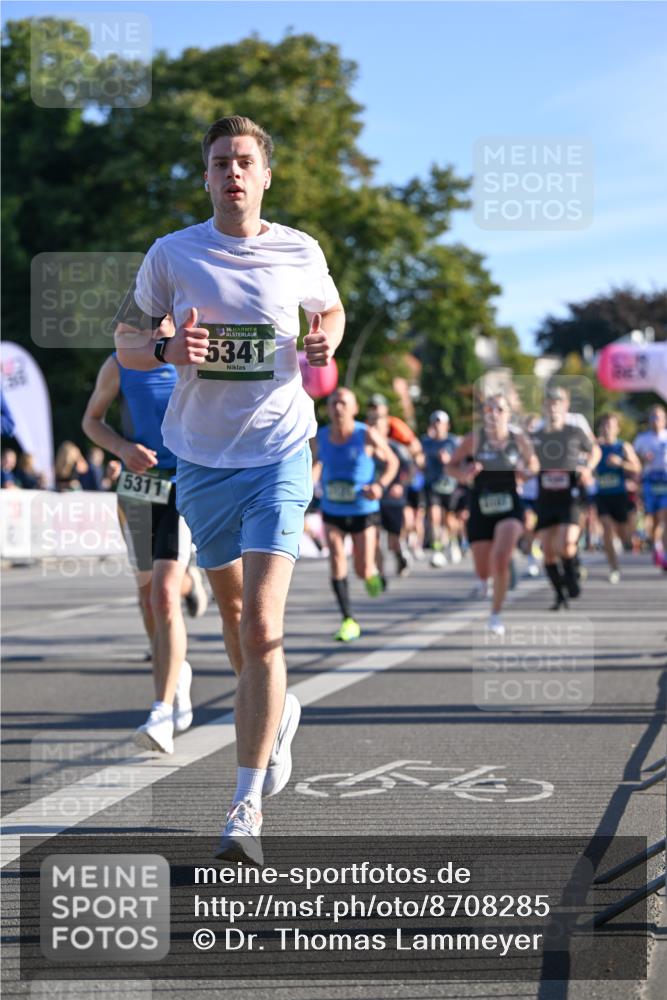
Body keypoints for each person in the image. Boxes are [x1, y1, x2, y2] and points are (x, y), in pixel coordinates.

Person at [115, 115, 345, 865]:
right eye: (220, 163)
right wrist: (163, 346)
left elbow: (329, 309)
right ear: (207, 176)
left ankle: (244, 806)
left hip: (280, 450)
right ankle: (279, 710)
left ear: (266, 175)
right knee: (234, 612)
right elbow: (124, 336)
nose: (233, 174)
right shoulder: (172, 253)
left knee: (261, 627)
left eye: (245, 162)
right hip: (201, 461)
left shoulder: (299, 250)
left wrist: (326, 338)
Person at [82, 352, 209, 751]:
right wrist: (122, 449)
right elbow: (91, 421)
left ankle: (161, 710)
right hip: (137, 489)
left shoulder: (193, 360)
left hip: (182, 483)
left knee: (164, 593)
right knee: (147, 593)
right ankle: (177, 671)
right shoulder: (118, 364)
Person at [312, 387, 398, 641]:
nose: (337, 408)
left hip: (363, 511)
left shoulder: (366, 434)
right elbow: (315, 464)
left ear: (354, 409)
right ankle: (348, 620)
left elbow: (392, 462)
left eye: (343, 403)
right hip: (333, 509)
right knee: (337, 559)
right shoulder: (321, 436)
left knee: (362, 569)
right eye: (333, 403)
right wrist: (309, 483)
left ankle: (373, 575)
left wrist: (380, 486)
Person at [450, 393, 539, 635]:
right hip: (480, 505)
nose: (495, 414)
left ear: (508, 414)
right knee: (483, 569)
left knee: (500, 558)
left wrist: (524, 472)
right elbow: (451, 465)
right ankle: (484, 581)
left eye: (499, 409)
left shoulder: (517, 438)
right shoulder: (473, 439)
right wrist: (465, 473)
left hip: (510, 504)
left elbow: (534, 465)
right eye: (489, 410)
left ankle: (495, 615)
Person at [530, 387, 600, 610]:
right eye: (549, 403)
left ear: (566, 406)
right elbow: (525, 459)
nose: (553, 407)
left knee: (567, 542)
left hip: (570, 495)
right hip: (546, 496)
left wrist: (587, 468)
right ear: (544, 406)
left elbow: (595, 450)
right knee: (548, 551)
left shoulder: (574, 431)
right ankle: (559, 593)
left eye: (558, 403)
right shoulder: (537, 435)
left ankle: (572, 574)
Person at [594, 412, 642, 583]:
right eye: (604, 425)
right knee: (606, 528)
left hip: (619, 495)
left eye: (611, 425)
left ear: (617, 429)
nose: (607, 429)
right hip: (602, 495)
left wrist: (620, 463)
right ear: (600, 428)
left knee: (624, 535)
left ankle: (624, 542)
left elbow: (637, 468)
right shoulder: (595, 448)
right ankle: (613, 567)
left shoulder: (623, 447)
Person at [421, 410, 462, 567]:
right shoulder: (425, 442)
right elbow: (418, 459)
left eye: (440, 423)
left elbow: (461, 462)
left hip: (449, 485)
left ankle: (453, 542)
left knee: (449, 520)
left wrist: (449, 460)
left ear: (447, 425)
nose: (437, 426)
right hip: (432, 484)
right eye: (435, 422)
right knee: (434, 517)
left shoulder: (453, 442)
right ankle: (437, 550)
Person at [633, 404, 667, 570]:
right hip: (649, 480)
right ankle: (657, 546)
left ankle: (663, 551)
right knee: (653, 519)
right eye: (652, 417)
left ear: (664, 420)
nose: (655, 421)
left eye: (658, 417)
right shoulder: (642, 439)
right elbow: (634, 462)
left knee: (663, 516)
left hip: (665, 479)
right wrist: (642, 459)